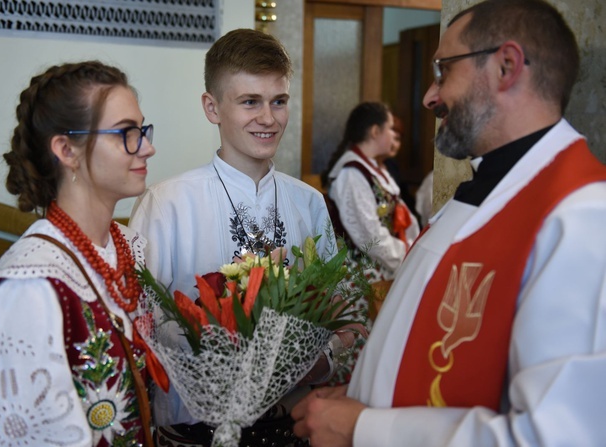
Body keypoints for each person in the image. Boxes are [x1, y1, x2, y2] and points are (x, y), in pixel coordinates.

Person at [292, 0, 606, 446]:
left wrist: (365, 427)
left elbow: (552, 435)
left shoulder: (581, 219)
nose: (429, 96)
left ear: (506, 66)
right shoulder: (489, 192)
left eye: (444, 70)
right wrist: (365, 397)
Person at [130, 28, 355, 447]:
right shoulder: (167, 203)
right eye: (250, 101)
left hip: (291, 423)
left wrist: (317, 363)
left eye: (279, 101)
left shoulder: (308, 204)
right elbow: (141, 323)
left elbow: (340, 312)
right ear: (212, 108)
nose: (268, 118)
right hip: (191, 428)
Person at [0, 61, 158, 446]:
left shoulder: (129, 247)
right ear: (67, 149)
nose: (148, 147)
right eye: (126, 133)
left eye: (142, 130)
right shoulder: (29, 288)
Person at [321, 102, 420, 384]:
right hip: (361, 278)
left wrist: (412, 247)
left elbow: (404, 219)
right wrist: (406, 259)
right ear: (375, 131)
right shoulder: (352, 173)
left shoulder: (375, 169)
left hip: (384, 269)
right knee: (361, 355)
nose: (393, 135)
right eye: (390, 128)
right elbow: (370, 237)